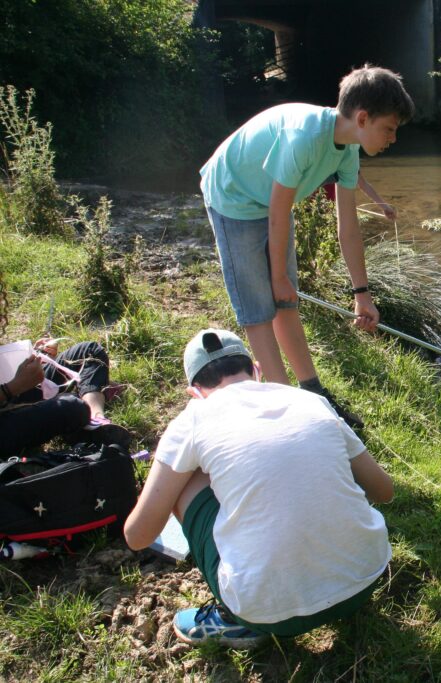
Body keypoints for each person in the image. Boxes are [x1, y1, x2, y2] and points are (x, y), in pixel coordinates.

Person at [123, 329, 393, 648]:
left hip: (270, 613)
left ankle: (234, 619)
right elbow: (384, 491)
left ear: (194, 393)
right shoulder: (312, 401)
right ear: (257, 371)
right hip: (367, 575)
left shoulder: (192, 421)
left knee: (184, 478)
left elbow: (138, 536)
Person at [199, 64, 414, 424]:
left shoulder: (347, 150)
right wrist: (278, 276)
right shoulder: (303, 137)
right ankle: (288, 411)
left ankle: (313, 393)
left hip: (270, 205)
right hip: (233, 196)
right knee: (259, 311)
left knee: (286, 303)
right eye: (389, 129)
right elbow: (278, 211)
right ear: (363, 118)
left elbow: (348, 226)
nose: (392, 138)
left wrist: (362, 294)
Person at [0, 337, 129, 457]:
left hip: (10, 393)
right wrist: (13, 387)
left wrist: (31, 356)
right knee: (72, 406)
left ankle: (96, 421)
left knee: (90, 351)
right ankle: (85, 425)